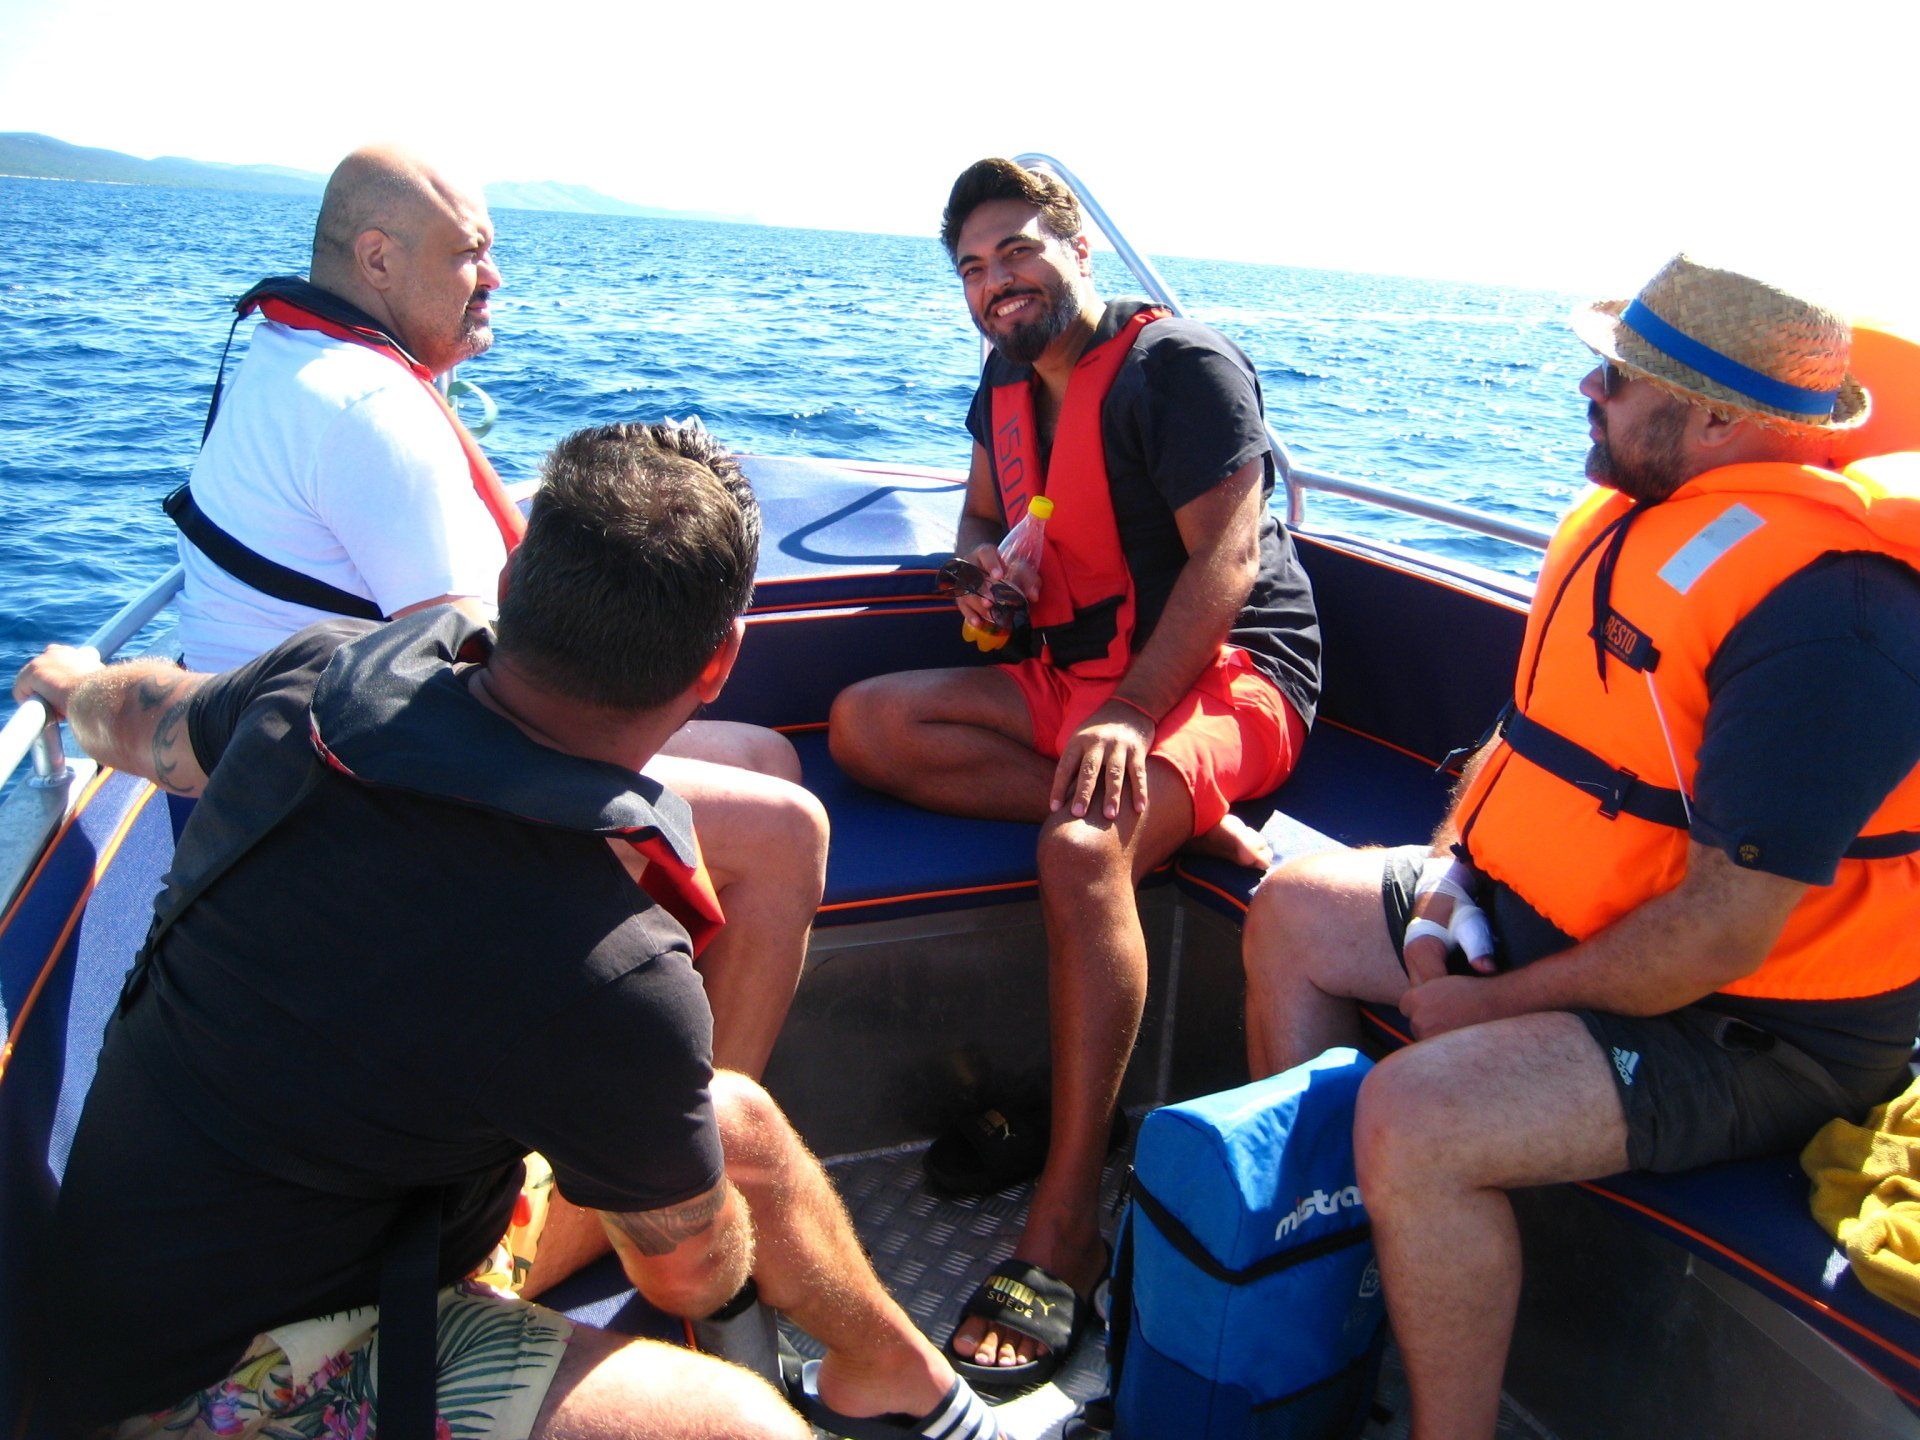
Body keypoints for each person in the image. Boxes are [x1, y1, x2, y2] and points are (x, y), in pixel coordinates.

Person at [16, 423, 999, 1440]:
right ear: (720, 664)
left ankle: (894, 1372)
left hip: (342, 1228)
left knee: (732, 1118)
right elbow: (695, 1276)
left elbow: (147, 717)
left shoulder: (313, 688)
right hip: (209, 1377)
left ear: (517, 568)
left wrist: (65, 685)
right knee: (739, 1424)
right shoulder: (611, 973)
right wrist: (637, 1155)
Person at [1240, 255, 1920, 1440]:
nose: (1584, 390)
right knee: (1297, 908)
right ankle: (1301, 1306)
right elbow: (1524, 747)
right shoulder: (1638, 519)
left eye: (1616, 375)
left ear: (1715, 415)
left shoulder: (1835, 618)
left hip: (1753, 1027)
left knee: (1418, 1115)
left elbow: (1725, 928)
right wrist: (1452, 875)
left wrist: (1490, 1011)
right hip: (1573, 926)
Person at [170, 144, 823, 1082]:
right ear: (379, 259)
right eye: (469, 253)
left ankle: (629, 1056)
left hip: (280, 759)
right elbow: (473, 687)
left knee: (765, 755)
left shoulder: (284, 359)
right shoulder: (372, 415)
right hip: (364, 808)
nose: (495, 277)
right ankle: (696, 1146)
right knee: (788, 832)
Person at [828, 158, 1322, 1389]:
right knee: (863, 727)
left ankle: (1065, 1225)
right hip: (1078, 684)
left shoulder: (1180, 369)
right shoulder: (1000, 385)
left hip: (1225, 676)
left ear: (1080, 247)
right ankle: (1182, 814)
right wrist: (983, 580)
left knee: (1081, 847)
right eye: (974, 269)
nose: (998, 283)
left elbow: (1230, 565)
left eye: (1018, 252)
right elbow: (982, 531)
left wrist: (1141, 713)